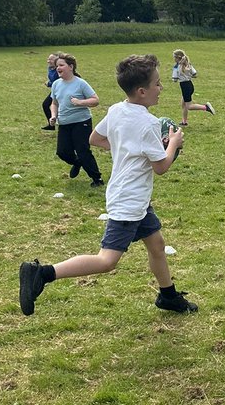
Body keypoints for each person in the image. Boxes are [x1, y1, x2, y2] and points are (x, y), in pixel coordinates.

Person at [19, 54, 197, 317]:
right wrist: (173, 144)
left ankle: (167, 295)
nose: (161, 88)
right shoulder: (148, 122)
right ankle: (43, 273)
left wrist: (130, 149)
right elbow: (161, 167)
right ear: (141, 91)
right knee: (107, 261)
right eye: (157, 84)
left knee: (156, 244)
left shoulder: (116, 110)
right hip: (129, 202)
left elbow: (95, 138)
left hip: (132, 197)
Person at [49, 53, 104, 186]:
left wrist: (80, 102)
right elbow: (54, 103)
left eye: (61, 65)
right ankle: (77, 162)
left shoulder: (80, 83)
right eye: (57, 66)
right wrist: (53, 115)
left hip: (81, 122)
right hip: (64, 122)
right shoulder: (56, 84)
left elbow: (95, 100)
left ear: (71, 67)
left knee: (83, 151)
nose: (58, 68)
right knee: (62, 152)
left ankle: (97, 179)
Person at [171, 50, 214, 126]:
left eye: (174, 57)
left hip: (184, 87)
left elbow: (174, 79)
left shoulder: (176, 66)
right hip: (190, 85)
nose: (173, 59)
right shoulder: (188, 64)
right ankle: (184, 122)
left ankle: (206, 107)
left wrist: (178, 78)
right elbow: (195, 74)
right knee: (183, 104)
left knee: (189, 106)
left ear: (177, 58)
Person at [40, 53, 60, 131]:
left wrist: (49, 83)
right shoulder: (50, 68)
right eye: (48, 59)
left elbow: (59, 81)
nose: (48, 61)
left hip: (60, 91)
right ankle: (51, 124)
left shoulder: (59, 69)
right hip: (54, 90)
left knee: (49, 105)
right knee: (46, 105)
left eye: (51, 59)